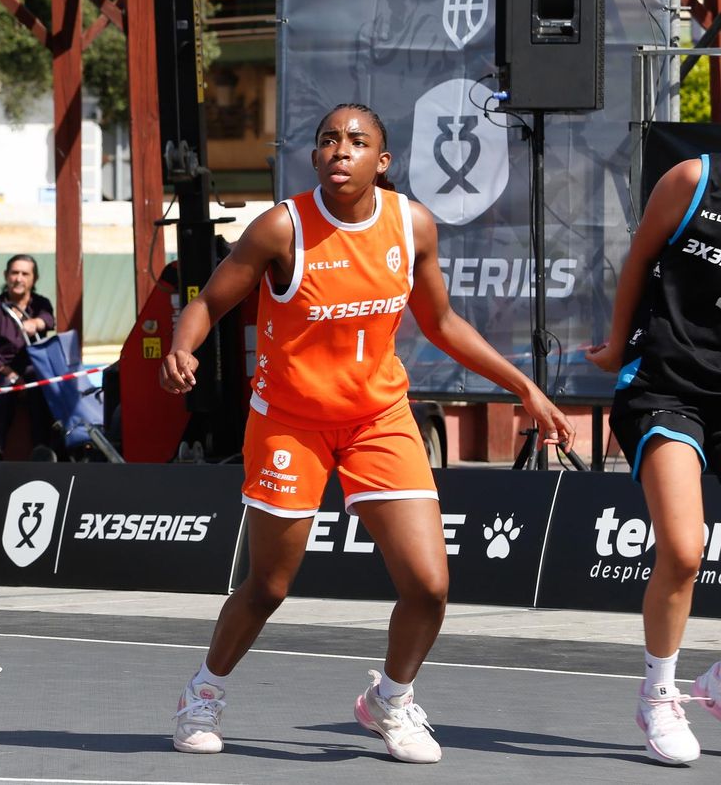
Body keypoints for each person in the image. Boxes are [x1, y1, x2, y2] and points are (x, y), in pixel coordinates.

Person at [159, 102, 573, 763]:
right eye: (328, 140)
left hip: (378, 418)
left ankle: (392, 701)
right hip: (290, 423)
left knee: (429, 585)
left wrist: (525, 386)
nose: (340, 150)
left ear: (381, 161)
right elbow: (209, 301)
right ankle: (203, 691)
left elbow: (441, 324)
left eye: (357, 141)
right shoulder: (281, 227)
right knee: (268, 585)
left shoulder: (410, 224)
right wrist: (182, 348)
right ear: (316, 156)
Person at [586, 155, 721, 765]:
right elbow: (639, 258)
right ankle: (658, 694)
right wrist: (617, 347)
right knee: (685, 549)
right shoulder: (693, 181)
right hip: (667, 386)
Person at [0, 254, 60, 469]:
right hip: (3, 371)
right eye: (14, 273)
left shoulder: (41, 304)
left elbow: (49, 319)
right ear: (6, 276)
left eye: (25, 274)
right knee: (6, 391)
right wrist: (11, 374)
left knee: (40, 388)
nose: (19, 278)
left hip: (32, 369)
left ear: (34, 278)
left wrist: (37, 322)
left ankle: (41, 449)